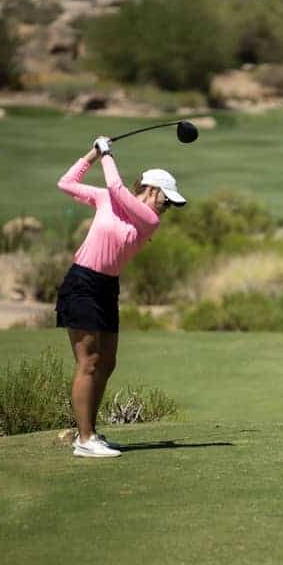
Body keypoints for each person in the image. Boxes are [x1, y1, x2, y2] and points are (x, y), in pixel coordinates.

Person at [55, 136, 187, 458]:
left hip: (106, 287)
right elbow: (66, 183)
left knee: (107, 362)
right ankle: (84, 439)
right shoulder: (107, 199)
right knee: (88, 362)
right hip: (82, 283)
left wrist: (108, 154)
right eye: (165, 200)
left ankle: (90, 433)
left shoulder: (148, 219)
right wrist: (94, 153)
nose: (165, 208)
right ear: (152, 189)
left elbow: (117, 189)